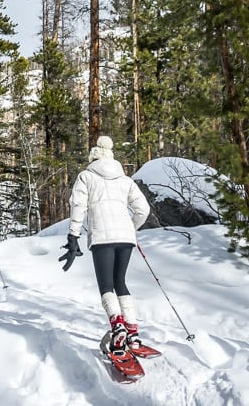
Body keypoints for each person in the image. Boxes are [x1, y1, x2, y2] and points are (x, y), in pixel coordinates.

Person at [58, 135, 151, 353]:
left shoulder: (86, 176)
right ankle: (133, 334)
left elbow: (78, 205)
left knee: (106, 286)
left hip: (102, 238)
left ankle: (118, 328)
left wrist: (73, 235)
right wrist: (130, 228)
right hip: (126, 237)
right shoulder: (125, 180)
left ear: (93, 158)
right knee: (121, 282)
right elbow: (143, 210)